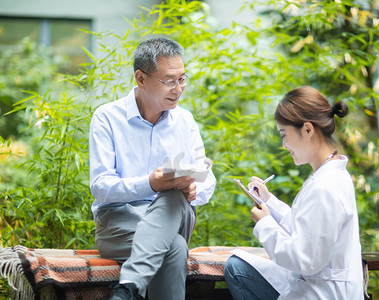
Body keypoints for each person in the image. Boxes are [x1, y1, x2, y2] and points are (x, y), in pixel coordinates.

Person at [89, 37, 216, 300]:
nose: (178, 89)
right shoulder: (107, 117)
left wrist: (194, 188)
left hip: (175, 213)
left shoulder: (185, 120)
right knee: (175, 247)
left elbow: (207, 181)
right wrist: (150, 183)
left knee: (173, 191)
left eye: (182, 79)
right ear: (141, 78)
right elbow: (101, 186)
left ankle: (129, 287)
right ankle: (131, 285)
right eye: (169, 80)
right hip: (119, 222)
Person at [224, 86, 364, 299]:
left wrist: (265, 225)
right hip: (319, 285)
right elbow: (307, 228)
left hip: (323, 292)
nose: (284, 144)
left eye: (284, 135)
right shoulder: (329, 175)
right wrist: (268, 201)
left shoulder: (325, 186)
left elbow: (305, 259)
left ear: (307, 130)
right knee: (237, 267)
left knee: (236, 269)